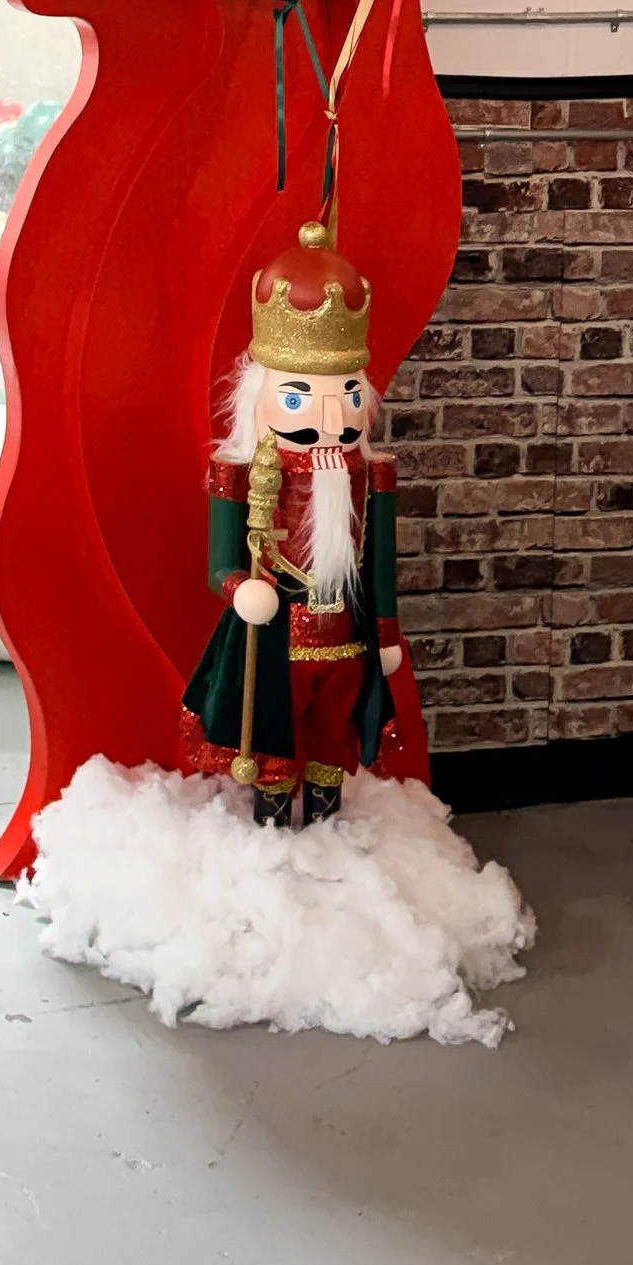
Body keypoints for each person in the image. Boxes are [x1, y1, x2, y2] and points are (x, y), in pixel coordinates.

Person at [180, 218, 429, 823]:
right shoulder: (239, 470)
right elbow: (220, 562)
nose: (327, 417)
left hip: (347, 633)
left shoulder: (370, 474)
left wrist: (387, 633)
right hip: (274, 637)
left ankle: (324, 830)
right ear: (261, 396)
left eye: (346, 396)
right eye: (297, 398)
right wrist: (239, 590)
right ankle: (272, 832)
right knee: (272, 740)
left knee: (332, 741)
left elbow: (380, 565)